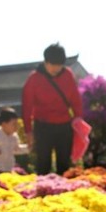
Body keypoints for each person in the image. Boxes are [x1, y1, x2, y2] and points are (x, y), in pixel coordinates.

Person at [22, 43, 84, 175]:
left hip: (64, 125)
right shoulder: (34, 79)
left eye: (59, 65)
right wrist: (28, 131)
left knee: (64, 164)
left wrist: (79, 119)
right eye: (53, 65)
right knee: (43, 163)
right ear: (45, 62)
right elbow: (27, 106)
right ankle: (42, 192)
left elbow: (75, 99)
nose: (56, 69)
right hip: (43, 125)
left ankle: (64, 193)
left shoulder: (67, 75)